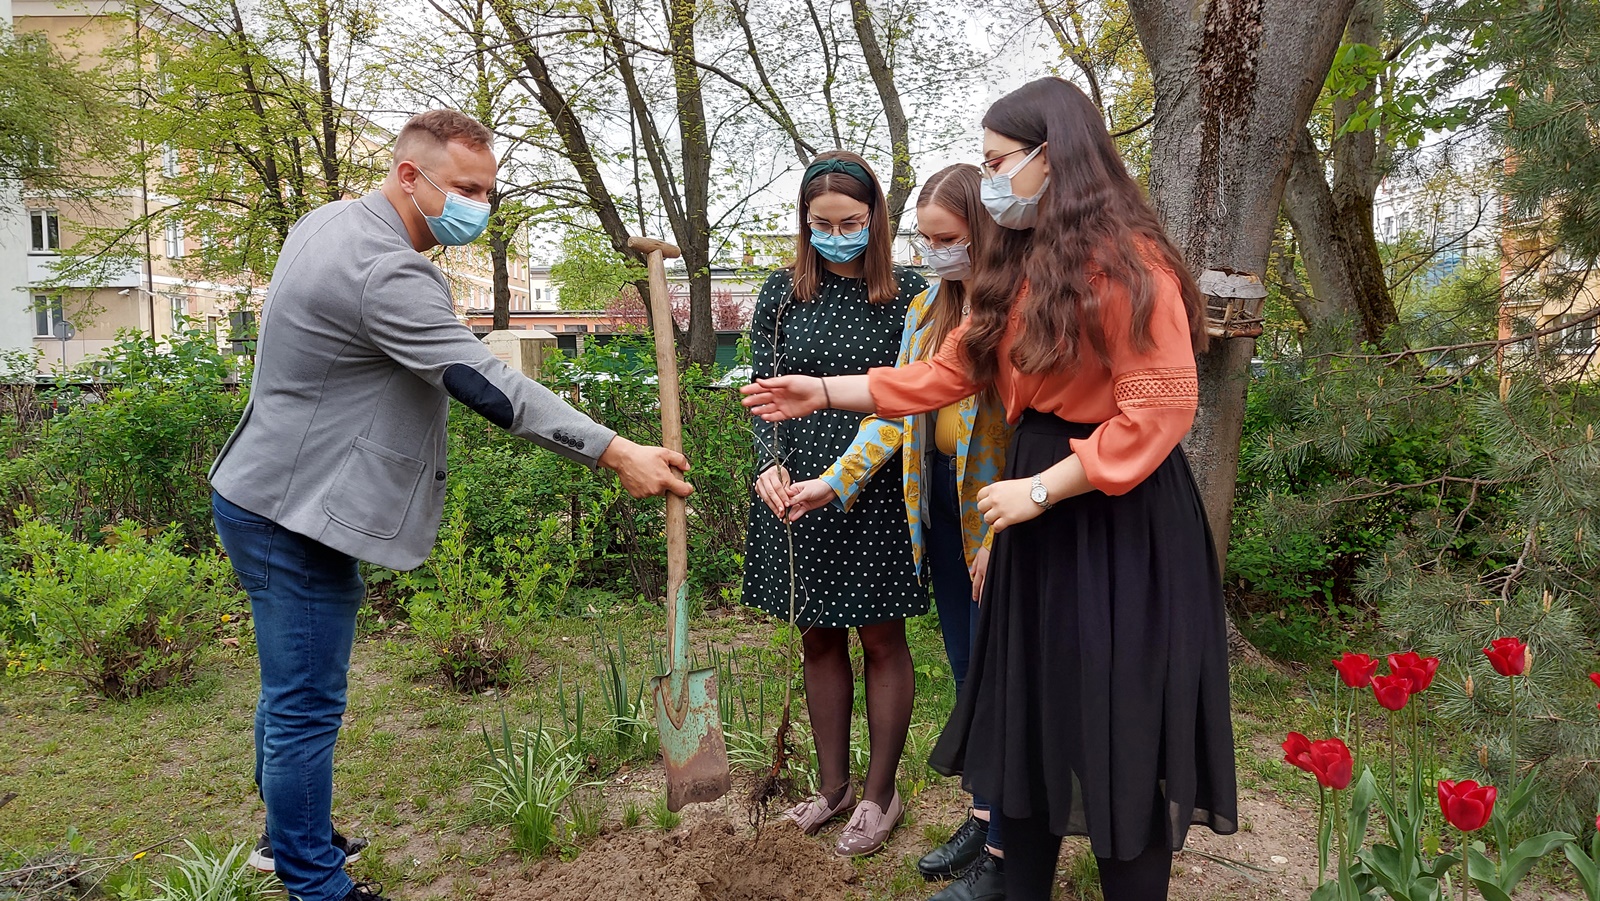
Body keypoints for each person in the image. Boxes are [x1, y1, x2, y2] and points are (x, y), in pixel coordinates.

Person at [740, 78, 1238, 901]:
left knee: (1118, 712)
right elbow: (946, 371)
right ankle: (1015, 880)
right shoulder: (1024, 268)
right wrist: (822, 392)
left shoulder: (1131, 265)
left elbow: (1158, 410)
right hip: (1036, 504)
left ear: (1055, 156)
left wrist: (1039, 491)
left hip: (1115, 515)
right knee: (1028, 710)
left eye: (999, 161)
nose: (992, 178)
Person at [209, 110, 693, 901]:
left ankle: (288, 833)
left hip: (269, 489)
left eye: (489, 191)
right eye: (466, 188)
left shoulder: (330, 221)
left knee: (290, 681)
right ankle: (313, 879)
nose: (480, 206)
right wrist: (615, 449)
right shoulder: (384, 271)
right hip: (290, 511)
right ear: (409, 175)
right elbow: (485, 383)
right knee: (306, 699)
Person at [781, 164, 1014, 898]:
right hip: (937, 505)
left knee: (1004, 668)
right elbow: (898, 409)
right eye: (927, 239)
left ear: (985, 234)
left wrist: (1003, 530)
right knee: (969, 666)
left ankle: (1010, 836)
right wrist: (835, 480)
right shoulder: (926, 311)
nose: (936, 252)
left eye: (948, 240)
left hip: (996, 510)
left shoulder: (1018, 309)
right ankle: (987, 814)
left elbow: (1038, 430)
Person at [742, 149, 928, 858]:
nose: (835, 235)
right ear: (804, 222)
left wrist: (845, 474)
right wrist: (769, 462)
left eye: (850, 223)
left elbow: (912, 399)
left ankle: (880, 795)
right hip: (797, 489)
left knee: (881, 639)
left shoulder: (911, 294)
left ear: (876, 219)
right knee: (817, 636)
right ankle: (833, 788)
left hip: (875, 488)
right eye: (821, 224)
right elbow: (764, 391)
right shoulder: (781, 294)